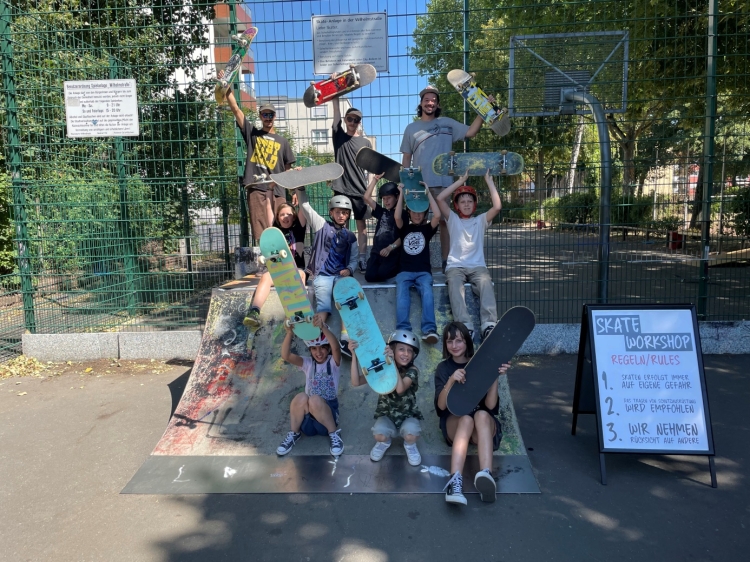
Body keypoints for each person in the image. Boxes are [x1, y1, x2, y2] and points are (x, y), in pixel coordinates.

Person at [400, 85, 485, 271]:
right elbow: (406, 157)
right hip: (419, 184)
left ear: (437, 104)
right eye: (426, 100)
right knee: (418, 223)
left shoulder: (447, 123)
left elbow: (471, 132)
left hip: (444, 184)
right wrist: (406, 183)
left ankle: (447, 262)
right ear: (421, 103)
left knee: (446, 223)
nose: (430, 103)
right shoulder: (411, 128)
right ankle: (416, 263)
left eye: (433, 100)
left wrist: (483, 111)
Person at [433, 321, 510, 505]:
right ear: (445, 344)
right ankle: (454, 482)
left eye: (459, 340)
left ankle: (486, 476)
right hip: (456, 423)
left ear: (467, 341)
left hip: (481, 426)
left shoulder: (480, 362)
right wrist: (451, 380)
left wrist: (494, 376)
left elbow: (490, 406)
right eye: (450, 341)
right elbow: (441, 408)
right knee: (466, 419)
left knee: (481, 415)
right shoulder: (443, 368)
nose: (454, 346)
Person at [222, 81, 295, 243]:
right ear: (260, 116)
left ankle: (283, 266)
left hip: (278, 190)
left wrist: (294, 191)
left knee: (281, 230)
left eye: (270, 115)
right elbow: (236, 110)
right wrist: (226, 87)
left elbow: (289, 170)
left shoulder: (283, 142)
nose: (268, 118)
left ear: (275, 116)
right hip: (257, 188)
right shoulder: (252, 134)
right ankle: (264, 266)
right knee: (261, 234)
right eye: (264, 115)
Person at [436, 169, 501, 342]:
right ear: (456, 205)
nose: (466, 204)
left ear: (475, 204)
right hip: (455, 266)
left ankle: (489, 325)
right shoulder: (453, 220)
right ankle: (465, 327)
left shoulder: (481, 220)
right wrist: (460, 180)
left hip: (477, 266)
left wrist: (489, 181)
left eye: (469, 201)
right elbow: (440, 199)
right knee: (455, 287)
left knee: (486, 283)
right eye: (462, 201)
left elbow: (497, 207)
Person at [295, 187, 358, 356]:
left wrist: (350, 269)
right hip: (322, 275)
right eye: (338, 212)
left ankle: (344, 340)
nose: (341, 215)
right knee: (324, 307)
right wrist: (300, 189)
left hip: (340, 275)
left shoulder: (351, 236)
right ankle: (315, 337)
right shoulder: (321, 225)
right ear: (331, 213)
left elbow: (354, 259)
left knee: (346, 301)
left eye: (345, 213)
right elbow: (306, 207)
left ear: (348, 215)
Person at [349, 330, 424, 466]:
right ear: (392, 350)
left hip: (407, 415)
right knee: (379, 435)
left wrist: (392, 364)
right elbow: (356, 382)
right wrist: (354, 355)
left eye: (410, 351)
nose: (406, 354)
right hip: (387, 415)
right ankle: (384, 442)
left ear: (413, 355)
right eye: (401, 349)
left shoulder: (413, 371)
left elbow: (400, 389)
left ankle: (410, 446)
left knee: (411, 434)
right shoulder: (382, 367)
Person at [277, 316, 345, 457]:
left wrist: (323, 328)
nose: (318, 353)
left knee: (314, 399)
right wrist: (290, 332)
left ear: (328, 349)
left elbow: (337, 348)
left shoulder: (333, 362)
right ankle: (294, 434)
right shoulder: (308, 363)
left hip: (327, 418)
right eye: (314, 349)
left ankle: (334, 435)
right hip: (308, 423)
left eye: (322, 348)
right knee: (301, 397)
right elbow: (286, 355)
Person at [243, 191, 307, 329]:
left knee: (301, 275)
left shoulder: (299, 229)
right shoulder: (274, 230)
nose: (285, 217)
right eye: (282, 214)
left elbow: (303, 206)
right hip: (279, 271)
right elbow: (268, 208)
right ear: (278, 218)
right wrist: (269, 191)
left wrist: (300, 188)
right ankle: (254, 311)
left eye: (289, 214)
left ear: (294, 217)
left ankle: (297, 311)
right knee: (266, 277)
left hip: (296, 269)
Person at [393, 182, 441, 344]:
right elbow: (397, 216)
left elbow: (438, 216)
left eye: (421, 212)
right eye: (414, 211)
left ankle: (429, 329)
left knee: (427, 292)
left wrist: (428, 193)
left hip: (423, 271)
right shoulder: (404, 228)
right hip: (404, 271)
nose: (417, 215)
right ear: (409, 212)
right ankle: (403, 328)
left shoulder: (427, 229)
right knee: (402, 294)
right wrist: (400, 195)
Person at [330, 93, 372, 273]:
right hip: (340, 188)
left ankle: (362, 258)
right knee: (342, 227)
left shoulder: (365, 142)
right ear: (345, 120)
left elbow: (371, 169)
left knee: (362, 226)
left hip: (360, 190)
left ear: (359, 122)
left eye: (356, 120)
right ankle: (343, 259)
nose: (353, 122)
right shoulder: (338, 136)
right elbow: (336, 116)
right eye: (350, 119)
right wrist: (335, 96)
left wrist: (369, 190)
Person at [363, 173, 404, 283]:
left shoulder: (402, 214)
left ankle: (399, 268)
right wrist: (375, 180)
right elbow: (366, 197)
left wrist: (390, 248)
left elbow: (403, 236)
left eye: (389, 198)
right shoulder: (382, 212)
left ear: (396, 197)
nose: (386, 201)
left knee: (383, 274)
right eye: (384, 198)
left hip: (392, 253)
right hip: (376, 252)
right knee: (369, 277)